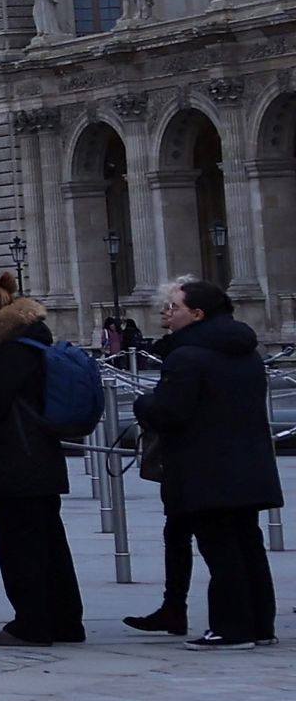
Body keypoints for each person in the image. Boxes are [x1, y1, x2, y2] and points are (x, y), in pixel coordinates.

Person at [128, 277, 281, 648]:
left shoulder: (187, 357)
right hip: (248, 464)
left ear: (197, 314)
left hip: (205, 468)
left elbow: (169, 412)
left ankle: (231, 628)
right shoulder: (245, 352)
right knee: (248, 544)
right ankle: (260, 625)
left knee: (220, 548)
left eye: (175, 307)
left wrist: (143, 404)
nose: (168, 313)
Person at [0, 276, 83, 643]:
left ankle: (33, 622)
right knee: (49, 541)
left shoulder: (10, 350)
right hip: (40, 453)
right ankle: (66, 620)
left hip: (18, 457)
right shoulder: (31, 340)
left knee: (20, 545)